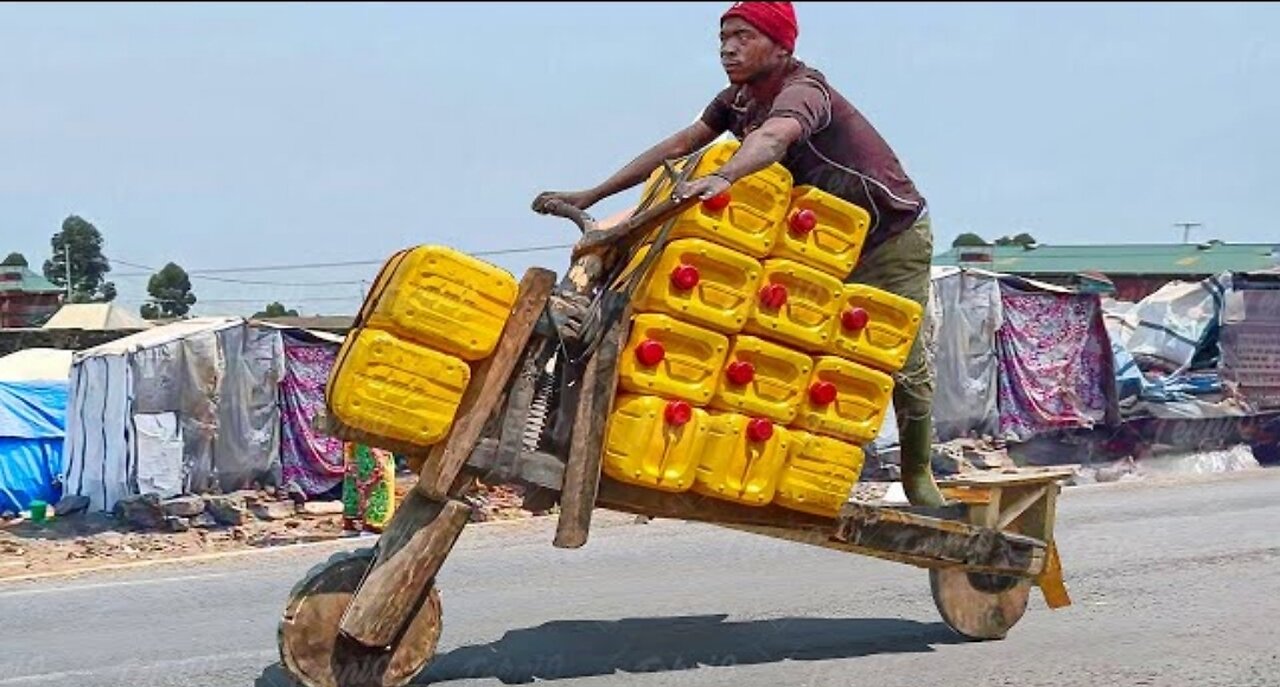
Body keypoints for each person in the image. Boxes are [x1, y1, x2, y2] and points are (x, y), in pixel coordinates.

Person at [533, 1, 944, 507]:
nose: (728, 48)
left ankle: (919, 475)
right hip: (819, 240)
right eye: (723, 37)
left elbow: (776, 137)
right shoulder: (737, 100)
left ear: (781, 44)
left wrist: (726, 174)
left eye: (743, 36)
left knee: (895, 354)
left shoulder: (804, 90)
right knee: (778, 343)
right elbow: (678, 146)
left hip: (889, 235)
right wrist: (591, 195)